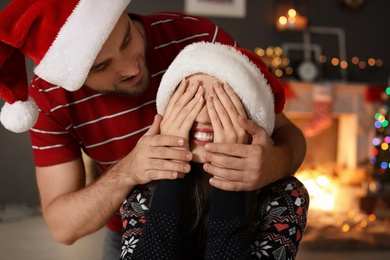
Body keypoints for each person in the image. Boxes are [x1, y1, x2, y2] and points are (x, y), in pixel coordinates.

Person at [0, 1, 307, 259]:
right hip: (140, 228)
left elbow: (278, 126)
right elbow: (62, 227)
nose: (132, 68)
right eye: (101, 67)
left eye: (127, 40)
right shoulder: (48, 100)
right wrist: (129, 172)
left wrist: (273, 164)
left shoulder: (197, 37)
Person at [120, 42, 309, 259]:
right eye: (190, 100)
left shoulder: (285, 197)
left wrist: (227, 176)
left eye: (222, 104)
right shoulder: (141, 191)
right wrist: (170, 174)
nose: (204, 117)